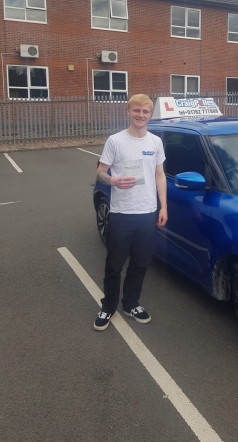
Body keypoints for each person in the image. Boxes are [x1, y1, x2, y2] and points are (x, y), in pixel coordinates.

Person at [94, 94, 168, 331]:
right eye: (137, 111)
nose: (141, 115)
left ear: (150, 114)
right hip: (121, 214)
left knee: (140, 263)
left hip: (147, 213)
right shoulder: (115, 141)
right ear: (128, 111)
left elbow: (159, 175)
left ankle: (131, 303)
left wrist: (163, 206)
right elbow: (100, 172)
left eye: (146, 112)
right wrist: (113, 181)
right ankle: (108, 306)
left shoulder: (155, 142)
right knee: (114, 265)